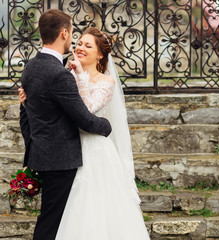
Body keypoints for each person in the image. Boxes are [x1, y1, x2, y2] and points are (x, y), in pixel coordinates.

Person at [20, 27, 150, 239]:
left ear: (100, 54)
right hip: (65, 148)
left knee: (94, 209)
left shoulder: (105, 81)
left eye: (88, 46)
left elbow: (87, 112)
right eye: (79, 43)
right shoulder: (64, 73)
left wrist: (81, 76)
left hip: (94, 150)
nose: (80, 47)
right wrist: (29, 98)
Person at [18, 10, 112, 240]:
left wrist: (32, 145)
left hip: (43, 154)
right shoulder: (59, 74)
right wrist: (106, 126)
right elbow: (84, 119)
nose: (73, 39)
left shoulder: (30, 67)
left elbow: (26, 114)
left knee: (55, 220)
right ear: (63, 33)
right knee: (52, 224)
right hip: (61, 159)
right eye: (71, 32)